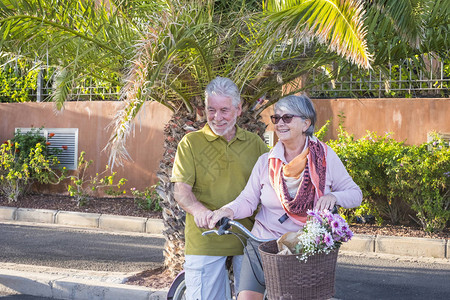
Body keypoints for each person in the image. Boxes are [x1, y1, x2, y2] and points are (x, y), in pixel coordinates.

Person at [207, 94, 363, 300]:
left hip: (303, 248)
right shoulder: (266, 161)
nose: (280, 123)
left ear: (306, 123)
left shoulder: (325, 158)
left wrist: (334, 196)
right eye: (276, 118)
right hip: (262, 244)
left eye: (287, 118)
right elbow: (247, 200)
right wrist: (228, 210)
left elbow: (355, 194)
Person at [171, 76, 269, 300]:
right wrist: (200, 212)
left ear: (239, 109)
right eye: (211, 110)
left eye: (224, 110)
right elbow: (181, 191)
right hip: (206, 238)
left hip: (248, 238)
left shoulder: (255, 144)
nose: (217, 117)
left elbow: (272, 187)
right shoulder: (191, 143)